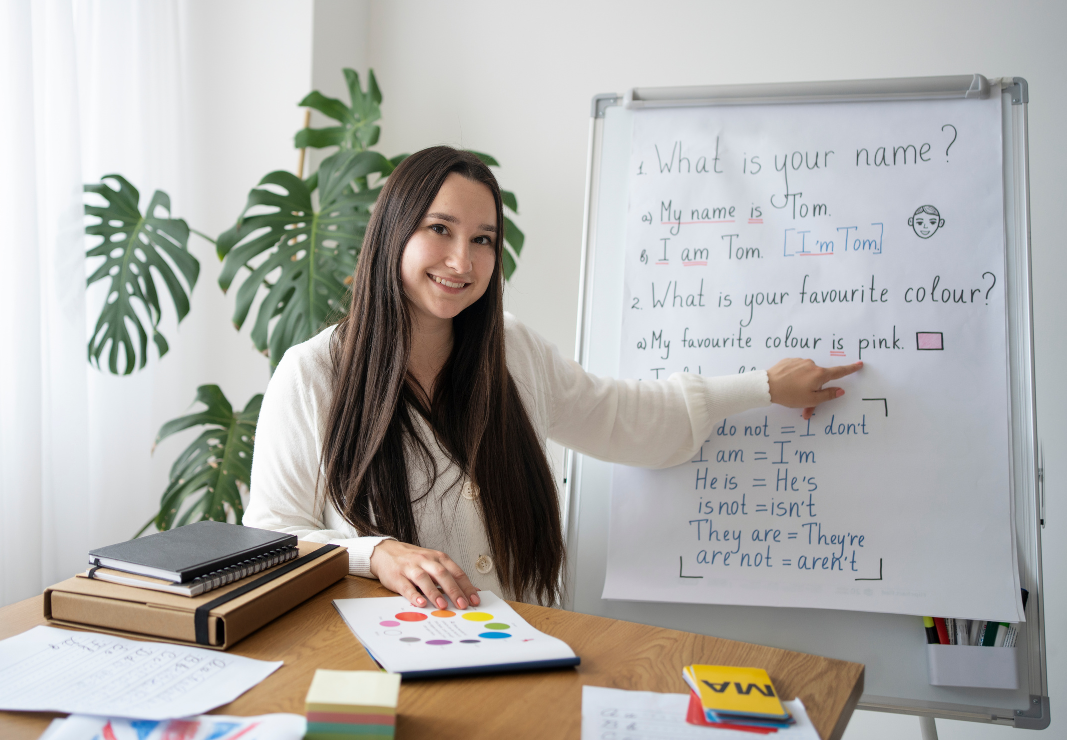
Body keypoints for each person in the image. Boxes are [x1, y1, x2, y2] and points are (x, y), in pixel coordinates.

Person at [244, 147, 861, 612]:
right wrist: (375, 551)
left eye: (482, 239)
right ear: (392, 234)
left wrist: (763, 387)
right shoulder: (313, 374)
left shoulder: (513, 352)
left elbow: (631, 420)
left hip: (518, 651)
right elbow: (271, 534)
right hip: (377, 666)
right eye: (440, 230)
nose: (463, 261)